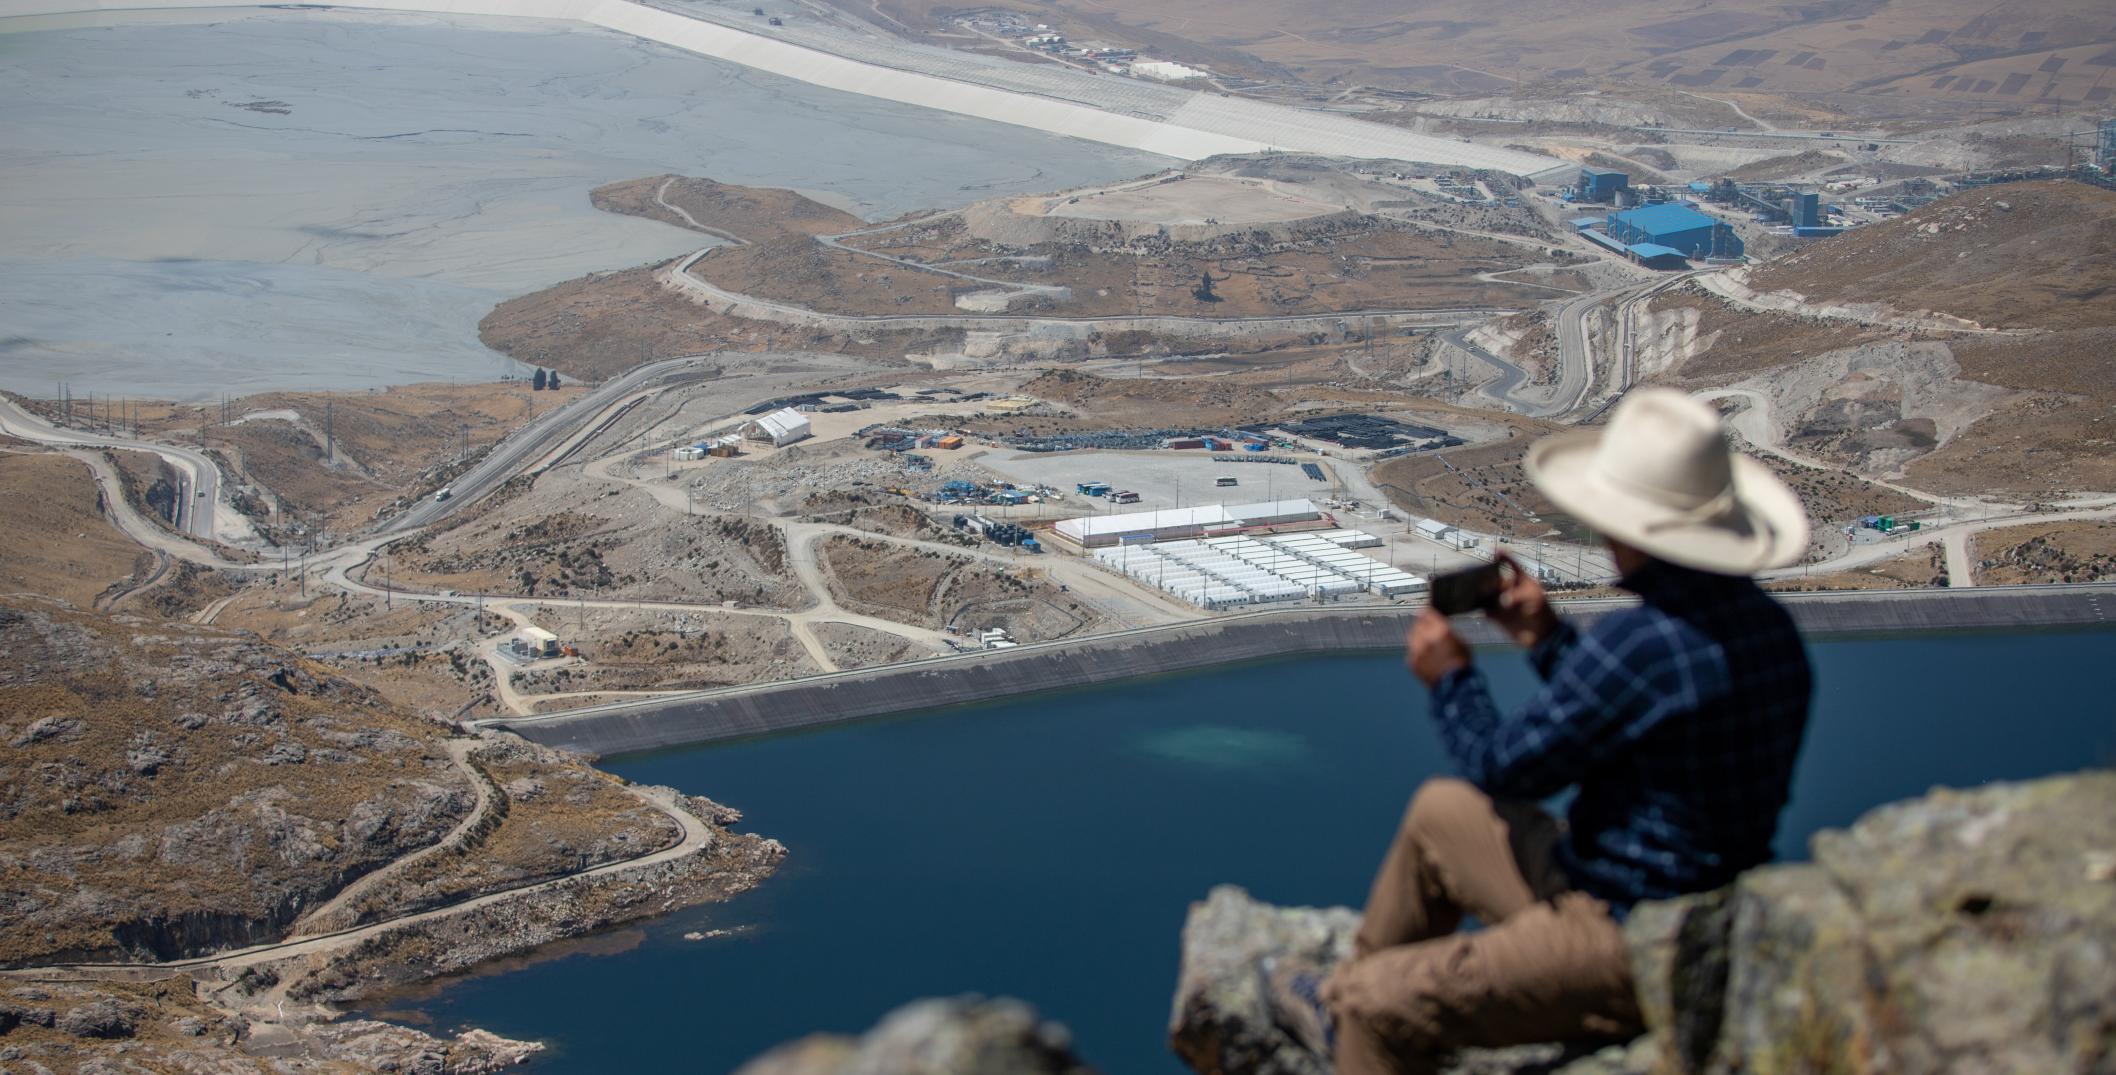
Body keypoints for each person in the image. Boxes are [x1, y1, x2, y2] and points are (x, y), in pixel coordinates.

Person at [1267, 388, 1816, 1075]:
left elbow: (1507, 768)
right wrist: (1547, 637)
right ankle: (1356, 1003)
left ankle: (1360, 1010)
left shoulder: (1642, 642)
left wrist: (1451, 679)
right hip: (1688, 901)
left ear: (1626, 528)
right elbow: (1635, 719)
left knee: (1373, 1003)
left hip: (1631, 934)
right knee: (1439, 811)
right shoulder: (1770, 631)